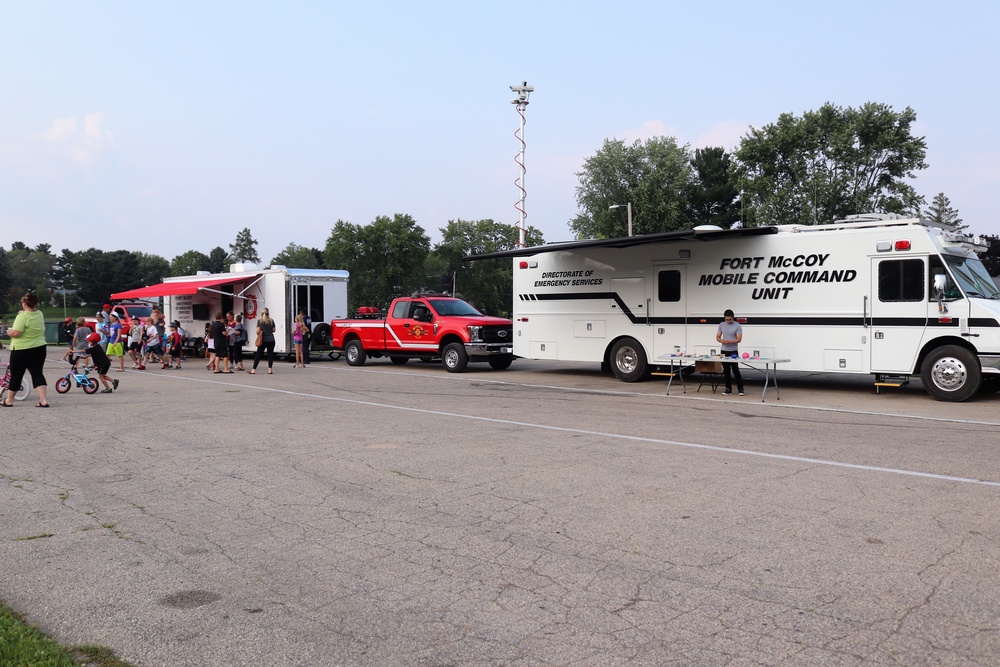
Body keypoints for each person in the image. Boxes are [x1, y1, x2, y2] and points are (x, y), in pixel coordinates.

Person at [1, 293, 51, 408]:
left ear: (24, 303)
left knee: (16, 375)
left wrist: (9, 332)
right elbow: (31, 316)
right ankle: (43, 400)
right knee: (37, 373)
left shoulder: (22, 317)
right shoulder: (39, 314)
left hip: (21, 350)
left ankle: (9, 400)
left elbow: (17, 333)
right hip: (39, 348)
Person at [716, 309, 745, 396]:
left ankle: (741, 389)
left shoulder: (737, 326)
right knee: (726, 370)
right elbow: (717, 337)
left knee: (735, 370)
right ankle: (728, 389)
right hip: (724, 350)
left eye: (730, 319)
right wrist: (722, 340)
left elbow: (739, 339)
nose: (728, 321)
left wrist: (731, 342)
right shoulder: (721, 325)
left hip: (733, 350)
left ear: (733, 318)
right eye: (727, 319)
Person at [250, 308, 276, 375]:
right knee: (270, 354)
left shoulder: (260, 321)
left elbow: (258, 330)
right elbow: (274, 330)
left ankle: (253, 369)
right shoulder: (271, 320)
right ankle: (270, 370)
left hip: (263, 340)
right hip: (271, 339)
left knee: (258, 354)